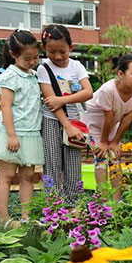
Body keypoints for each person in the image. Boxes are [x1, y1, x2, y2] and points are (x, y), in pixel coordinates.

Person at [0, 30, 43, 228]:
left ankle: (26, 218)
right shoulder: (10, 76)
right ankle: (4, 220)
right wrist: (12, 136)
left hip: (30, 132)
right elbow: (5, 106)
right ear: (13, 55)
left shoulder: (34, 75)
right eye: (27, 58)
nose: (32, 62)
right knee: (6, 176)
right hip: (11, 132)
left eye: (35, 57)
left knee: (28, 177)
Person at [36, 24, 93, 205]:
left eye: (62, 51)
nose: (58, 56)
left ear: (71, 47)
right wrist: (66, 125)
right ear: (44, 49)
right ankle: (53, 206)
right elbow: (50, 102)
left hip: (75, 121)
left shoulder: (77, 66)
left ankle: (73, 204)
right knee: (53, 164)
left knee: (73, 164)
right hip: (52, 121)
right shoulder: (43, 69)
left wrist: (62, 100)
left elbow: (88, 92)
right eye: (52, 52)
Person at [81, 55, 132, 199]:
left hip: (111, 125)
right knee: (102, 158)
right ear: (121, 74)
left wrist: (116, 142)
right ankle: (103, 202)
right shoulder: (108, 89)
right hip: (91, 125)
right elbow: (108, 117)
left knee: (116, 157)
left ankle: (116, 202)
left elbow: (127, 119)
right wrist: (104, 142)